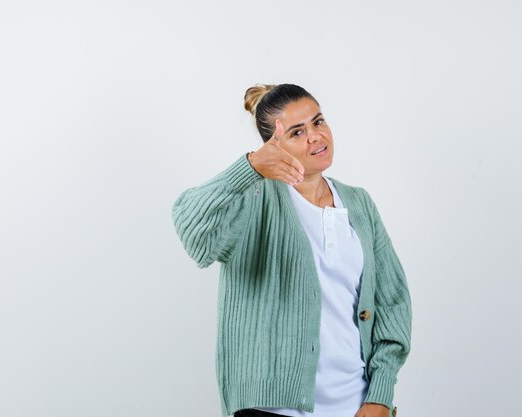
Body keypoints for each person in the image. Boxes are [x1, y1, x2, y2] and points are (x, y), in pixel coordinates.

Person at [171, 84, 412, 417]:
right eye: (298, 132)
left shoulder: (359, 202)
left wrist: (380, 394)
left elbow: (393, 301)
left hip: (355, 406)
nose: (315, 136)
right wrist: (250, 168)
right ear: (274, 146)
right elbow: (192, 230)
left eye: (318, 121)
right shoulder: (254, 199)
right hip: (271, 409)